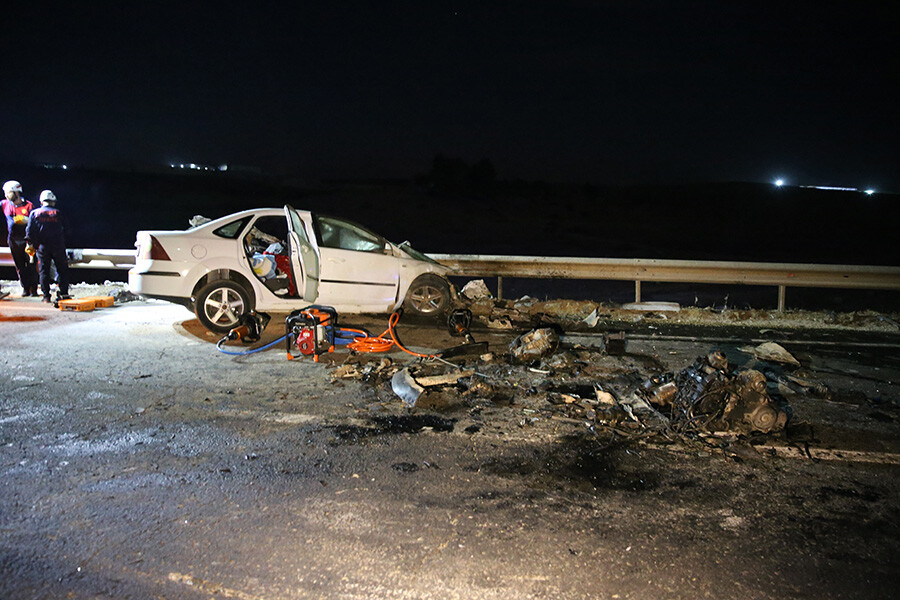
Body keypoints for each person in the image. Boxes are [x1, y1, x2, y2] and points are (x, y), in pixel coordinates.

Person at [25, 190, 70, 303]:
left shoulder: (34, 213)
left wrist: (30, 244)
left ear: (41, 201)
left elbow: (30, 231)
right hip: (58, 246)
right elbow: (67, 229)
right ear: (53, 201)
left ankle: (46, 296)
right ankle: (64, 293)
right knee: (62, 269)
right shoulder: (58, 213)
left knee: (43, 271)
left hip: (42, 247)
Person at [1, 180, 39, 296]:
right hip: (13, 240)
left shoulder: (28, 205)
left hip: (28, 240)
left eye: (8, 192)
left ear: (16, 192)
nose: (6, 195)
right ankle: (25, 288)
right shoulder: (4, 204)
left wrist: (25, 220)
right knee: (20, 266)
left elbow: (35, 223)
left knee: (31, 265)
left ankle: (34, 289)